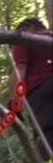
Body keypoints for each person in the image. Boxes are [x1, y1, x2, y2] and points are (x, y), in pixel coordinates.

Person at [11, 18, 53, 153]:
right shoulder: (49, 37)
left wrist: (15, 102)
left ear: (27, 28)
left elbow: (20, 70)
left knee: (47, 135)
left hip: (40, 90)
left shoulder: (23, 39)